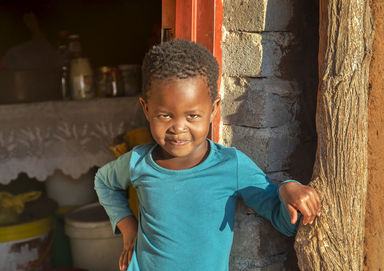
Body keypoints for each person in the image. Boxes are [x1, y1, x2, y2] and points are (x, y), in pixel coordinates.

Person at [94, 39, 321, 271]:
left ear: (213, 110)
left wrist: (287, 188)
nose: (178, 128)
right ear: (146, 109)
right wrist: (128, 229)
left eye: (192, 116)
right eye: (164, 115)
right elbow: (103, 181)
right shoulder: (138, 162)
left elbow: (285, 223)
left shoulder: (230, 165)